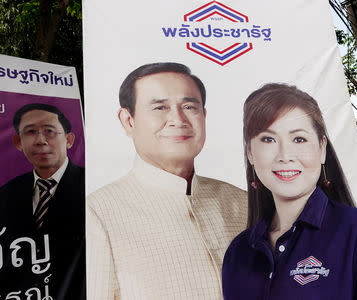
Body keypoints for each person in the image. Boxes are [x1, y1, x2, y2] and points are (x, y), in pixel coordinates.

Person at [87, 62, 247, 299]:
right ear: (128, 121)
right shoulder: (97, 213)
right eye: (160, 107)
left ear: (204, 116)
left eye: (190, 106)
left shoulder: (242, 202)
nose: (177, 119)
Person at [222, 83, 357, 299]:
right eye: (268, 139)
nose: (285, 155)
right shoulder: (238, 252)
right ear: (250, 152)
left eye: (298, 139)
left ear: (322, 148)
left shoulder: (356, 230)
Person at [0, 103, 85, 300]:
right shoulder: (5, 194)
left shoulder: (92, 187)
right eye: (30, 132)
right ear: (18, 141)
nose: (40, 140)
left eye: (50, 131)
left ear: (69, 140)